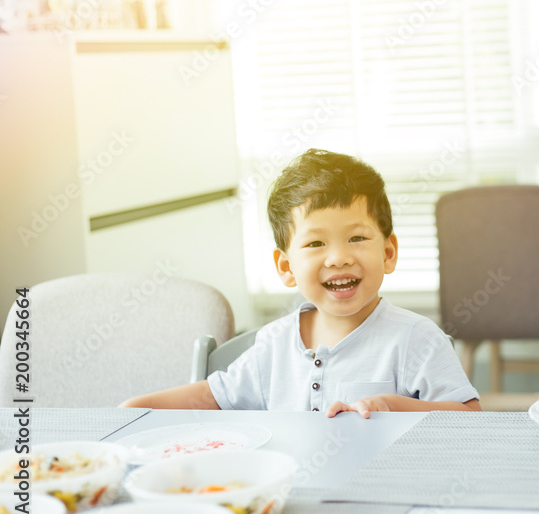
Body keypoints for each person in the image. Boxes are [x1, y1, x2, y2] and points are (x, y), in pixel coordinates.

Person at [122, 149, 481, 417]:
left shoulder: (415, 339)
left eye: (356, 238)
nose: (339, 257)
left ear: (388, 252)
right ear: (286, 266)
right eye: (315, 244)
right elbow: (211, 398)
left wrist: (392, 407)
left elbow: (470, 419)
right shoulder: (273, 346)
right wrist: (131, 410)